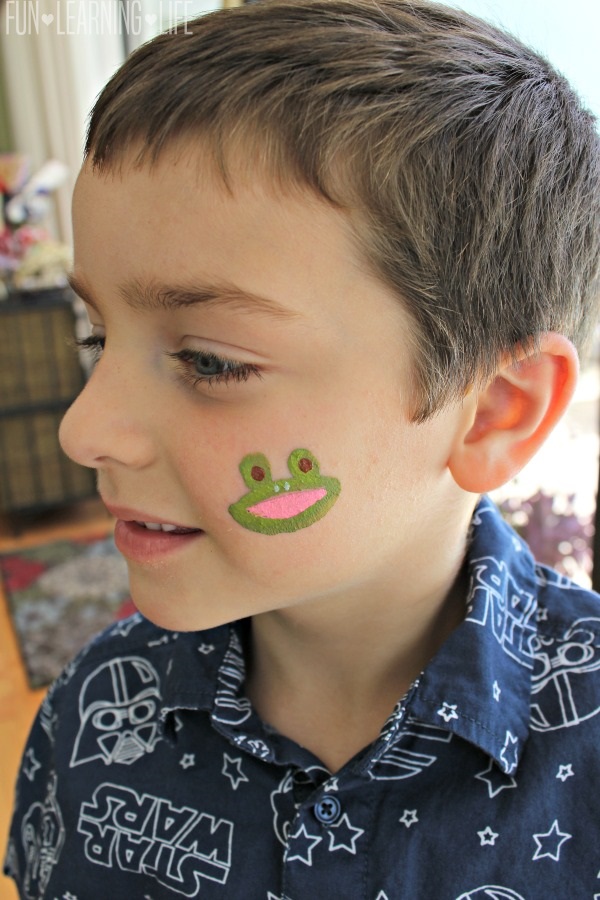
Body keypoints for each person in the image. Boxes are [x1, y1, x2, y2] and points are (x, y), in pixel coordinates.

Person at [4, 0, 600, 896]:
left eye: (210, 360)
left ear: (492, 413)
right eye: (98, 337)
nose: (82, 431)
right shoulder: (94, 714)